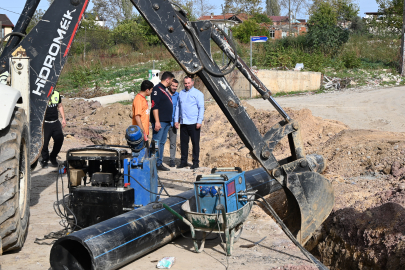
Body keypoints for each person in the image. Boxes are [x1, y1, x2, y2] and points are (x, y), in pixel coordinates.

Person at [174, 76, 204, 169]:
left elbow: (201, 108)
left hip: (194, 123)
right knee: (183, 143)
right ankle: (183, 162)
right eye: (185, 83)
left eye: (188, 83)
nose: (187, 85)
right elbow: (178, 107)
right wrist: (176, 120)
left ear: (192, 82)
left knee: (195, 143)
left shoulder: (198, 94)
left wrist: (199, 121)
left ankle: (195, 162)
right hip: (184, 122)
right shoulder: (181, 93)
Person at [150, 71, 175, 171]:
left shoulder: (163, 89)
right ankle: (153, 162)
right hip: (160, 121)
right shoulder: (157, 89)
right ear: (167, 79)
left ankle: (159, 162)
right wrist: (157, 121)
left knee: (162, 142)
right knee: (156, 142)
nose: (172, 83)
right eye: (172, 80)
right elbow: (154, 106)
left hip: (166, 121)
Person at [41, 89, 66, 168]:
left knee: (60, 139)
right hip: (45, 123)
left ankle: (53, 157)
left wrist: (63, 119)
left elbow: (60, 106)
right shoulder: (41, 94)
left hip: (55, 122)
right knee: (44, 144)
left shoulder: (56, 94)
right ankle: (45, 159)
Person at [168, 79, 179, 167]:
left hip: (173, 122)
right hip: (164, 122)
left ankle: (172, 160)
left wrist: (177, 120)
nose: (174, 88)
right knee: (161, 142)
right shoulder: (164, 94)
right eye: (173, 86)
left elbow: (179, 108)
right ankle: (158, 160)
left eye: (176, 86)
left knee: (173, 142)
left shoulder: (177, 95)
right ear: (169, 85)